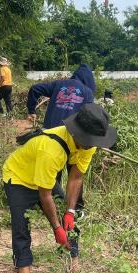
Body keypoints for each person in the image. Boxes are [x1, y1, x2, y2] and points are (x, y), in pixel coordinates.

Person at [2, 103, 117, 273]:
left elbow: (76, 177)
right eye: (90, 141)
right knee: (21, 230)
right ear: (79, 134)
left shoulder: (88, 143)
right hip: (19, 177)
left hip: (43, 178)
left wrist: (70, 213)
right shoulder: (51, 149)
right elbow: (44, 195)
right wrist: (56, 228)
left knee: (71, 226)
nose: (93, 144)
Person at [27, 64, 97, 210]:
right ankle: (76, 207)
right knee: (76, 172)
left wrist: (31, 110)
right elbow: (90, 115)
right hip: (74, 138)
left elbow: (35, 89)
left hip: (51, 136)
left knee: (51, 171)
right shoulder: (87, 92)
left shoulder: (59, 84)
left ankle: (48, 202)